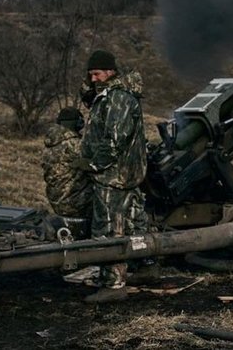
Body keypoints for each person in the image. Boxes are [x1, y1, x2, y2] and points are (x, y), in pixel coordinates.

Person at [76, 49, 149, 303]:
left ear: (110, 72)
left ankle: (113, 284)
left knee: (108, 229)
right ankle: (145, 268)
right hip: (125, 175)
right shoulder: (112, 96)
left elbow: (114, 139)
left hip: (113, 177)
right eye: (90, 75)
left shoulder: (118, 98)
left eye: (96, 74)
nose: (93, 79)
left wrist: (94, 164)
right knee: (134, 224)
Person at [41, 106, 92, 220]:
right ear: (78, 123)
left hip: (56, 201)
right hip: (75, 203)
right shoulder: (75, 145)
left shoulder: (50, 144)